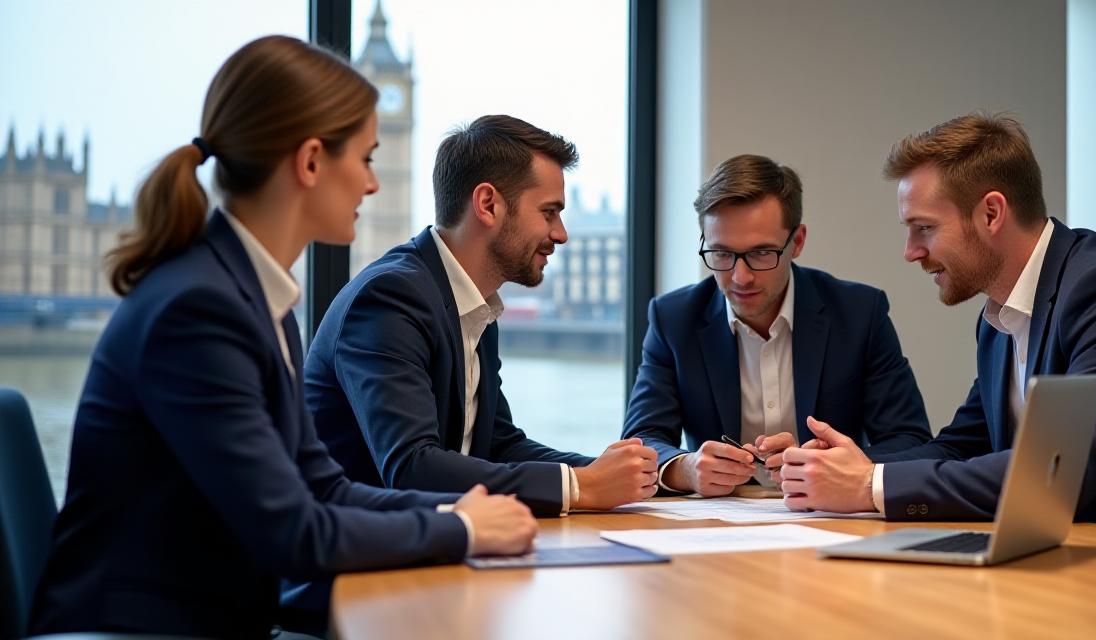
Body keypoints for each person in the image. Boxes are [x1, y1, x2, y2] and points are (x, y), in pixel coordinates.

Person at [27, 36, 536, 639]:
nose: (373, 185)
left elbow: (323, 486)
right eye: (366, 158)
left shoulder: (254, 299)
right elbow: (293, 531)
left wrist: (461, 511)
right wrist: (465, 529)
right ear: (312, 161)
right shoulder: (198, 311)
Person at [776, 113, 1096, 545]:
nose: (911, 251)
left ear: (991, 213)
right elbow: (961, 446)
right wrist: (845, 466)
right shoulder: (1000, 316)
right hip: (1071, 551)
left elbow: (1058, 473)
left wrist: (869, 486)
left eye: (924, 228)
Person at [305, 115, 658, 518]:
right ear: (488, 204)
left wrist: (624, 473)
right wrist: (582, 485)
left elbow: (497, 443)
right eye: (549, 212)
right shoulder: (391, 297)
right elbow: (411, 467)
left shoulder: (473, 301)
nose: (561, 233)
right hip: (358, 567)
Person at [622, 154, 931, 496]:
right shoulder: (673, 319)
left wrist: (835, 465)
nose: (740, 277)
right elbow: (642, 441)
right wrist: (685, 468)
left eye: (761, 253)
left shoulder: (859, 313)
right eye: (721, 254)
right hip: (716, 523)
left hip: (830, 516)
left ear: (797, 242)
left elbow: (909, 441)